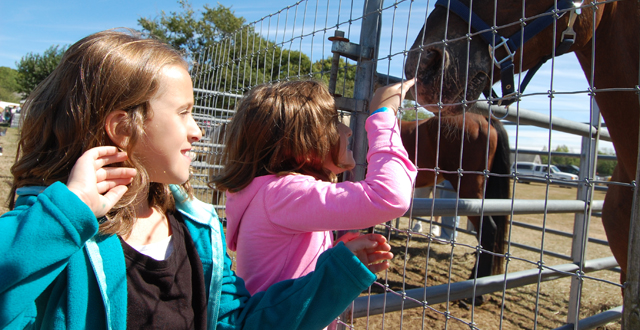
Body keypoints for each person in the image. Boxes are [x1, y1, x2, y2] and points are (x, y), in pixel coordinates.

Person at [0, 29, 394, 330]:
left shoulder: (199, 231)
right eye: (184, 112)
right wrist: (68, 215)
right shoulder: (53, 234)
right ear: (124, 128)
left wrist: (336, 274)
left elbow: (239, 323)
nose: (198, 131)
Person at [213, 78, 417, 306]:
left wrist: (332, 257)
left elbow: (287, 269)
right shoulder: (283, 194)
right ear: (299, 145)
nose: (347, 131)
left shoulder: (269, 194)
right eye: (333, 122)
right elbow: (389, 195)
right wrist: (383, 113)